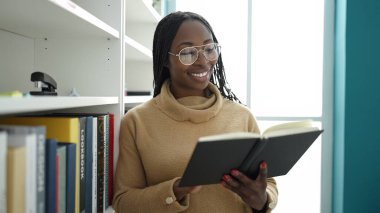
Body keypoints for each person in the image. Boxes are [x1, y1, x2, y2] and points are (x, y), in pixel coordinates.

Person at [113, 11, 278, 212]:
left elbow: (268, 185)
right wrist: (176, 190)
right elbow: (123, 202)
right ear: (165, 59)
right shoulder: (137, 121)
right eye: (188, 52)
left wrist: (262, 199)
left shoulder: (242, 117)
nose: (202, 61)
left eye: (209, 49)